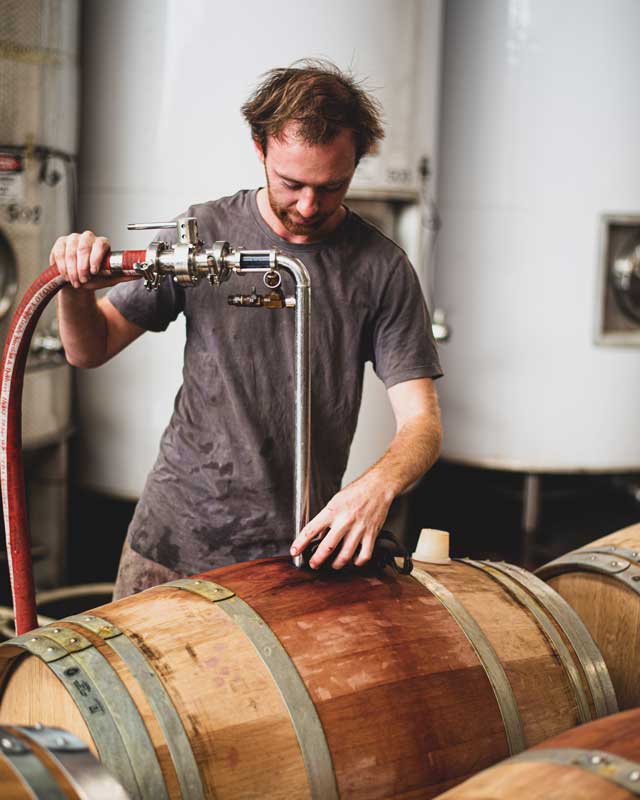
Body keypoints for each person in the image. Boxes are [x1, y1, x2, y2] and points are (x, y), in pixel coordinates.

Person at [52, 61, 443, 598]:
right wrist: (74, 286)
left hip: (290, 558)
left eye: (332, 186)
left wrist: (378, 487)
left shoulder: (381, 268)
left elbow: (422, 422)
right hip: (171, 543)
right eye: (292, 184)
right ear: (260, 147)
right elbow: (88, 349)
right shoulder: (205, 233)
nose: (309, 206)